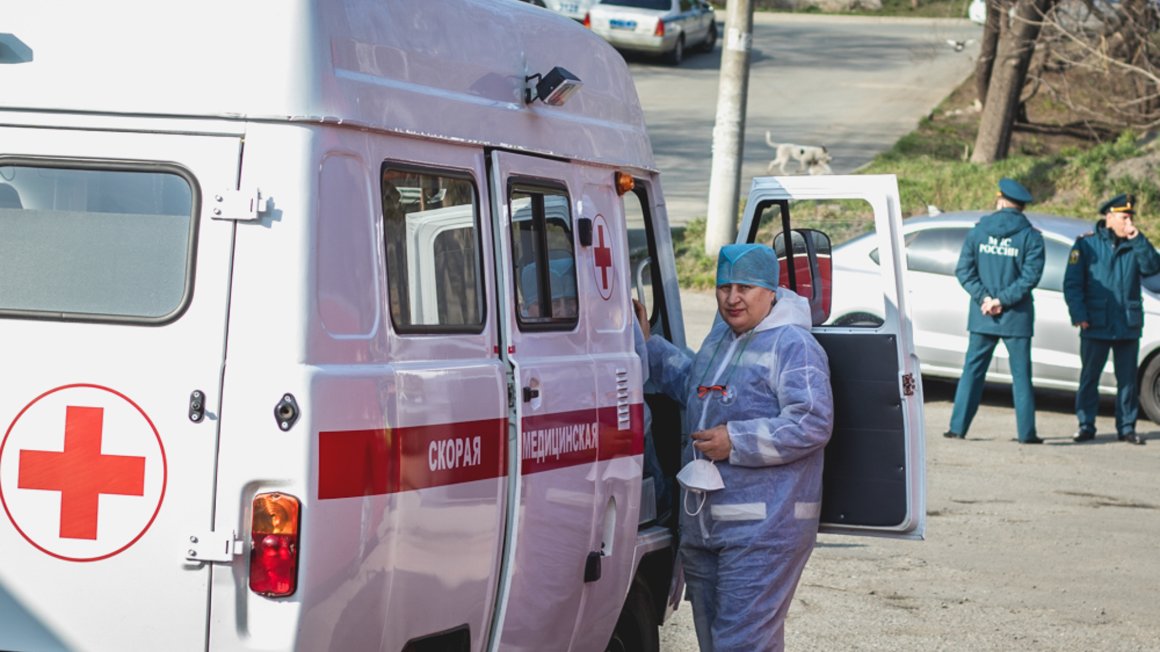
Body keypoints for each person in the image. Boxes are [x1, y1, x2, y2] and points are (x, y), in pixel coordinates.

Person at [637, 243, 833, 651]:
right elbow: (695, 385)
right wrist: (648, 345)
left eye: (745, 287)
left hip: (764, 530)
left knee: (741, 644)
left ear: (771, 291)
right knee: (717, 642)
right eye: (724, 287)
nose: (732, 298)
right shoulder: (720, 341)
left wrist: (735, 441)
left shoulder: (792, 344)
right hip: (708, 528)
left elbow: (811, 422)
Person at [943, 178, 1046, 444]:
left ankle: (957, 428)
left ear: (1000, 199)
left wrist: (986, 299)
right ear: (1021, 206)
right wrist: (1002, 300)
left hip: (982, 314)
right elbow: (1029, 277)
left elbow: (964, 271)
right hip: (1016, 317)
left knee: (972, 372)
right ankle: (1026, 434)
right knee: (1021, 376)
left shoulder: (978, 232)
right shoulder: (1031, 237)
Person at [1063, 193, 1160, 445]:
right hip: (1095, 322)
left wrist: (1137, 237)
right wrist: (1079, 315)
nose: (1128, 221)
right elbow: (1072, 284)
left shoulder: (1134, 244)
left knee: (1127, 380)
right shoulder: (1086, 245)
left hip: (1126, 323)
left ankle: (1127, 427)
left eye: (1130, 217)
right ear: (1109, 217)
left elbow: (1152, 267)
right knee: (1089, 378)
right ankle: (1086, 425)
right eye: (1123, 216)